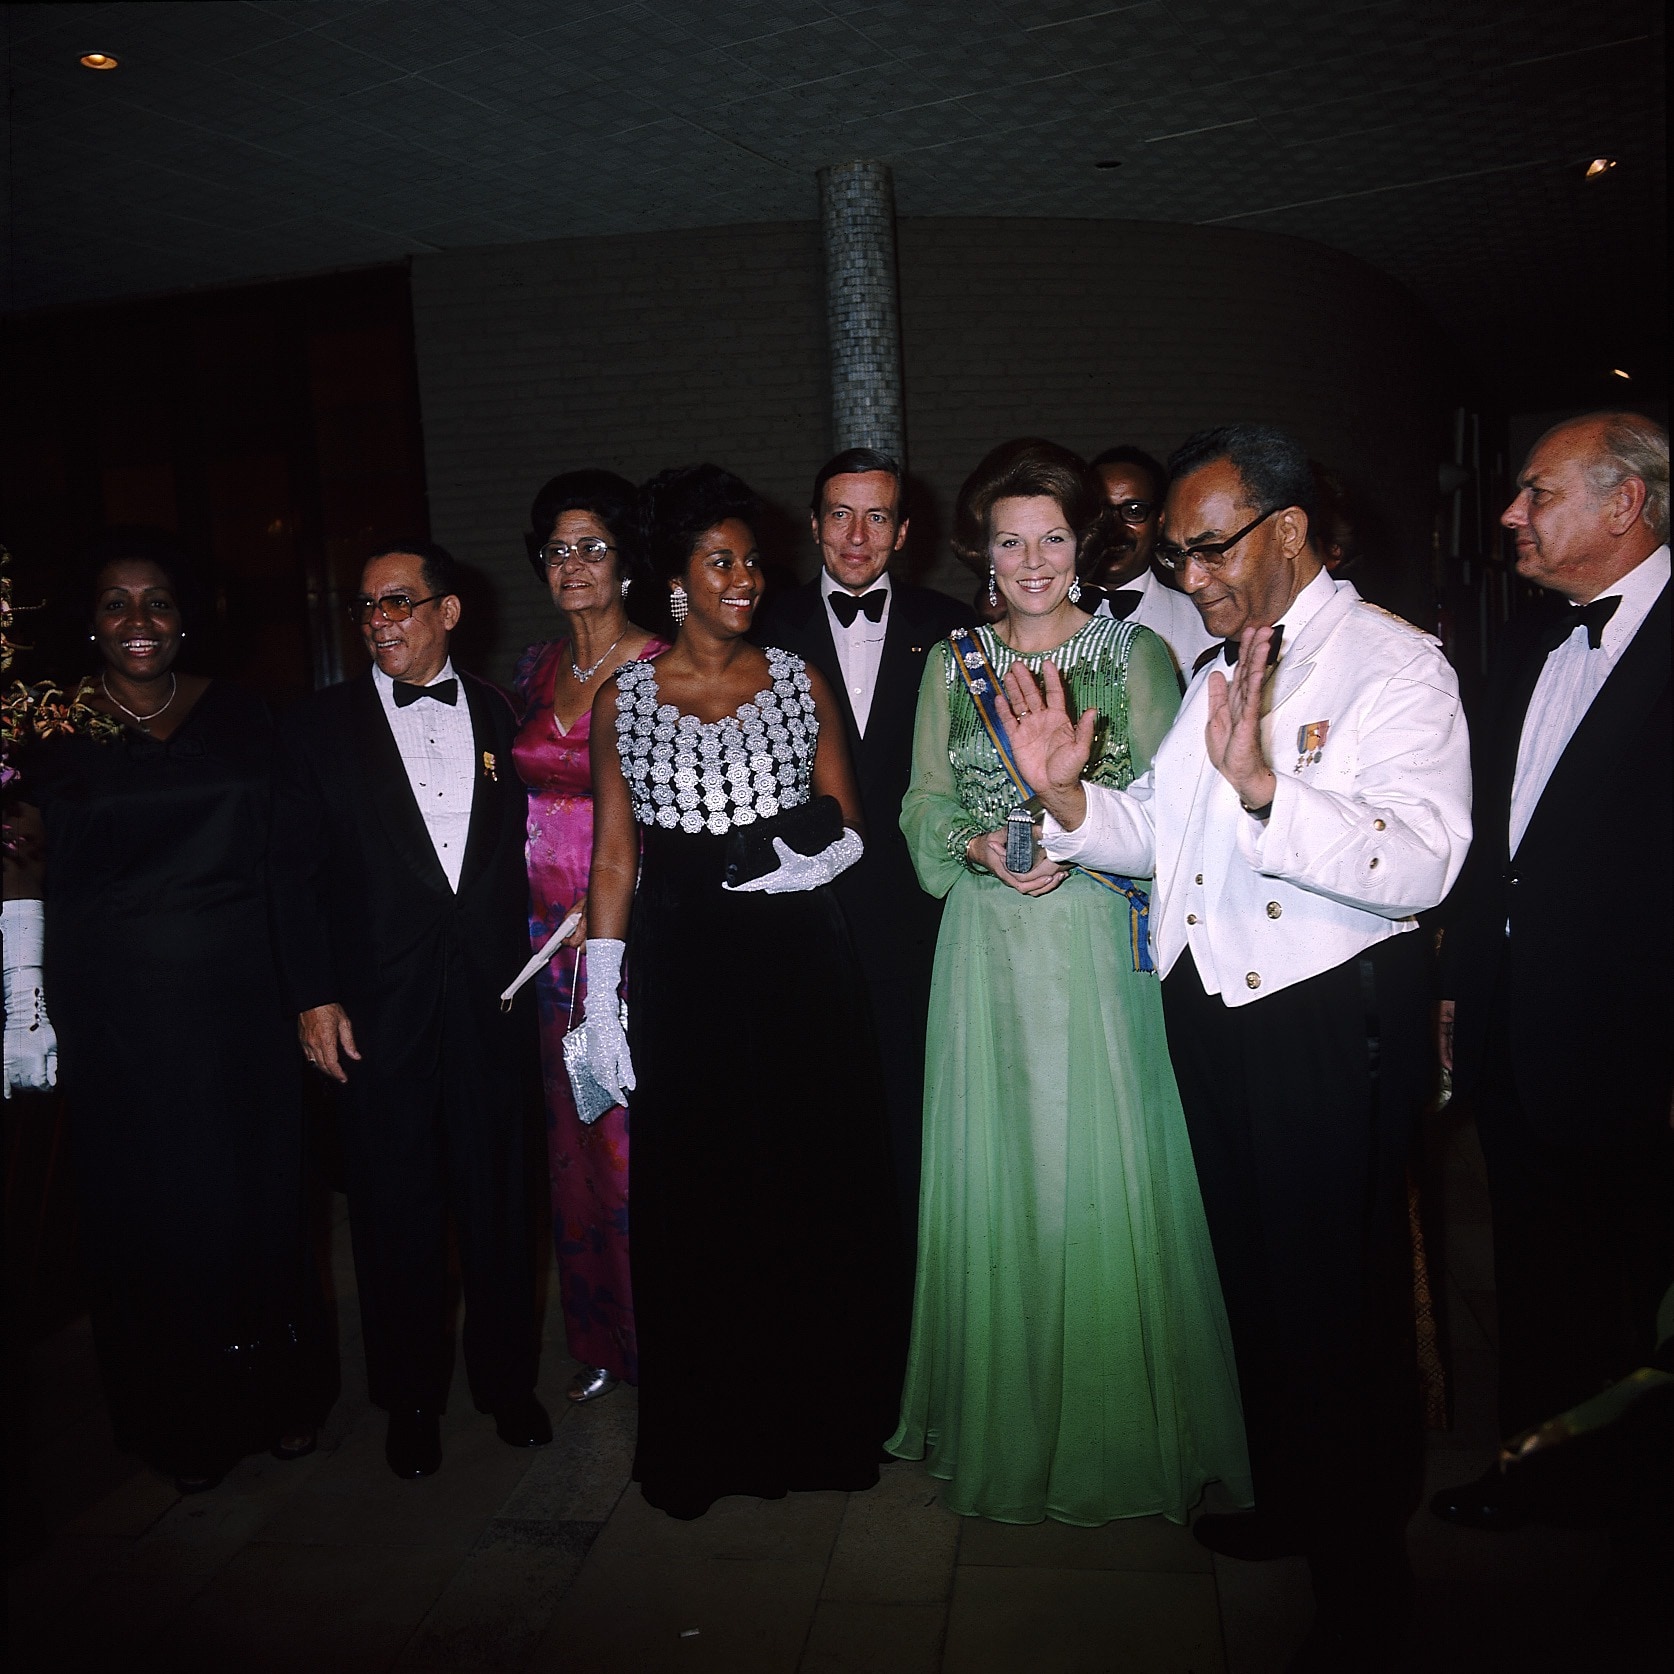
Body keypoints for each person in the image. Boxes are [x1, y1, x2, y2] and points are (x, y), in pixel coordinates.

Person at [1003, 424, 1471, 1670]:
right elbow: (1163, 833)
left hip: (1324, 1017)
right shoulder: (1220, 663)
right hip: (1215, 1011)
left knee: (1339, 1307)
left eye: (1208, 549)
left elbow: (1425, 857)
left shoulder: (1393, 664)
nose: (1190, 575)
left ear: (1290, 531)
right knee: (1257, 1286)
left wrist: (1268, 789)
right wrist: (1069, 798)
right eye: (1178, 555)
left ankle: (1367, 1582)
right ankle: (1295, 1501)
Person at [888, 437, 1250, 1526]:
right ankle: (1010, 1423)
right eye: (1011, 542)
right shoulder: (951, 664)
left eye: (1052, 537)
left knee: (1097, 1176)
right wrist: (974, 843)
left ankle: (1120, 1432)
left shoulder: (1137, 656)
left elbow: (1173, 822)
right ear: (982, 553)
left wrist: (1076, 828)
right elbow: (919, 801)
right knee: (1002, 1177)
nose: (1034, 561)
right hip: (987, 948)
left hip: (1096, 947)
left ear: (1083, 543)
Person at [584, 463, 904, 1520]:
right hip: (684, 974)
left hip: (802, 967)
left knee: (812, 1188)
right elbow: (616, 857)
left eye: (753, 561)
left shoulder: (800, 678)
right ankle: (708, 1443)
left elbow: (848, 821)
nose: (745, 579)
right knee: (702, 1201)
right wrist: (601, 996)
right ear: (674, 579)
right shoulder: (626, 698)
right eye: (720, 561)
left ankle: (823, 1428)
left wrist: (806, 866)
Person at [2, 531, 329, 1491]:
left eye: (157, 602)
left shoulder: (248, 716)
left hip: (244, 1006)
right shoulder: (50, 727)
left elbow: (291, 859)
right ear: (90, 622)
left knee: (257, 1199)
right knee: (148, 1212)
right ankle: (179, 1418)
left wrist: (311, 988)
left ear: (187, 618)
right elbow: (19, 862)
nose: (137, 620)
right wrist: (23, 999)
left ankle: (278, 1398)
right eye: (116, 603)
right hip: (117, 1015)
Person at [1431, 413, 1672, 1531]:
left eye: (1537, 492)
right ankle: (1539, 1476)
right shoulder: (1532, 640)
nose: (1509, 514)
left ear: (1625, 503)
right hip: (1518, 1031)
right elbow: (1497, 841)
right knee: (1538, 1269)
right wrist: (1459, 983)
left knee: (1643, 1289)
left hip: (1642, 1047)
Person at [269, 540, 548, 1480]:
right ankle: (412, 1399)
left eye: (397, 602)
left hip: (494, 1003)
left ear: (448, 611)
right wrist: (312, 995)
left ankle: (507, 1385)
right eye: (366, 606)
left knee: (502, 1202)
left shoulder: (507, 714)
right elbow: (291, 876)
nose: (379, 621)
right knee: (394, 1210)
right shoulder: (316, 728)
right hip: (376, 1012)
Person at [753, 448, 971, 1243]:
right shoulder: (763, 627)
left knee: (913, 1117)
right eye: (840, 516)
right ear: (814, 525)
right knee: (811, 1121)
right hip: (799, 917)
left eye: (877, 517)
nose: (856, 536)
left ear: (904, 531)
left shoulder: (953, 626)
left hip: (915, 919)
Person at [511, 469, 668, 1406]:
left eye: (593, 547)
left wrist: (621, 906)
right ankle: (602, 1337)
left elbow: (681, 813)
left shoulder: (664, 665)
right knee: (570, 1140)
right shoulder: (534, 668)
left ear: (626, 562)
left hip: (625, 929)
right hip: (538, 940)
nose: (572, 565)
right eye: (557, 550)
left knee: (632, 1138)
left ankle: (665, 1335)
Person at [1085, 445, 1215, 679]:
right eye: (1100, 511)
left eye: (1134, 511)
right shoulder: (1042, 614)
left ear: (1160, 520)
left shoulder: (1202, 622)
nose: (1113, 529)